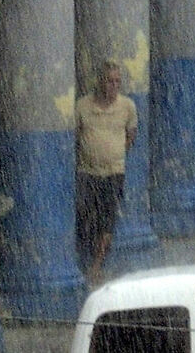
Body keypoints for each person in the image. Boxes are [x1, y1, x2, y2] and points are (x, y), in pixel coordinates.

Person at [75, 60, 136, 283]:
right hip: (88, 172)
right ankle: (84, 260)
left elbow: (131, 134)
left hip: (114, 173)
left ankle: (97, 266)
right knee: (85, 217)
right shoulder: (82, 106)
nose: (114, 86)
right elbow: (76, 135)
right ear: (100, 81)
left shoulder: (127, 107)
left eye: (117, 81)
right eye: (110, 81)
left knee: (107, 220)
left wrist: (115, 153)